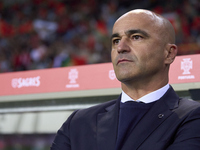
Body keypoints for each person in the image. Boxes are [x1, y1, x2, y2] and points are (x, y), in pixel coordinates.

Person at [51, 9, 200, 150]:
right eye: (116, 40)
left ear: (168, 53)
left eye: (136, 37)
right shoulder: (78, 122)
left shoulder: (193, 117)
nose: (121, 47)